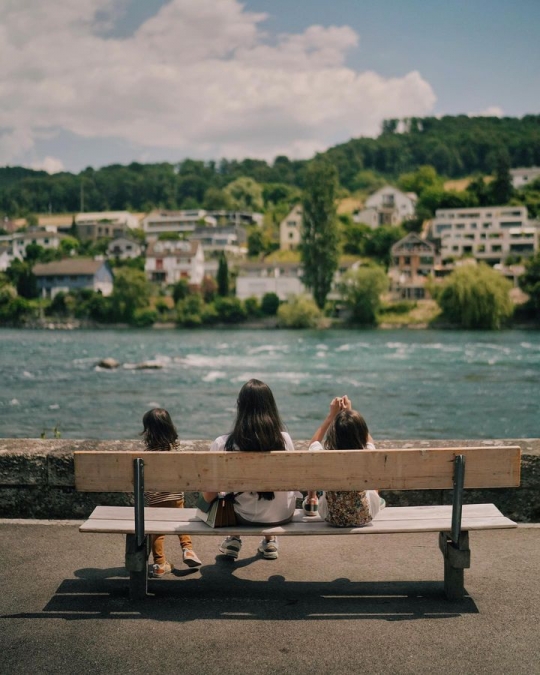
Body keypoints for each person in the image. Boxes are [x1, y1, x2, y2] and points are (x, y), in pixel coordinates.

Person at [202, 379, 299, 560]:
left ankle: (233, 538)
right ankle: (270, 541)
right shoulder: (284, 440)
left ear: (240, 407)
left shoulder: (223, 444)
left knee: (225, 495)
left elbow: (208, 496)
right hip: (283, 514)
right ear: (271, 407)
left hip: (243, 517)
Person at [303, 395, 385, 527]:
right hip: (365, 516)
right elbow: (369, 440)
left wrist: (331, 417)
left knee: (314, 465)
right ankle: (378, 501)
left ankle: (311, 499)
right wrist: (350, 413)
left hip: (331, 517)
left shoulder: (325, 457)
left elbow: (314, 442)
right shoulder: (367, 455)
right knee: (373, 473)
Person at [141, 408, 202, 577]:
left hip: (156, 499)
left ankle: (160, 563)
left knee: (157, 531)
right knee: (180, 523)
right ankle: (188, 550)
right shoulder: (176, 450)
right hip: (176, 497)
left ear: (148, 430)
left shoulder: (146, 454)